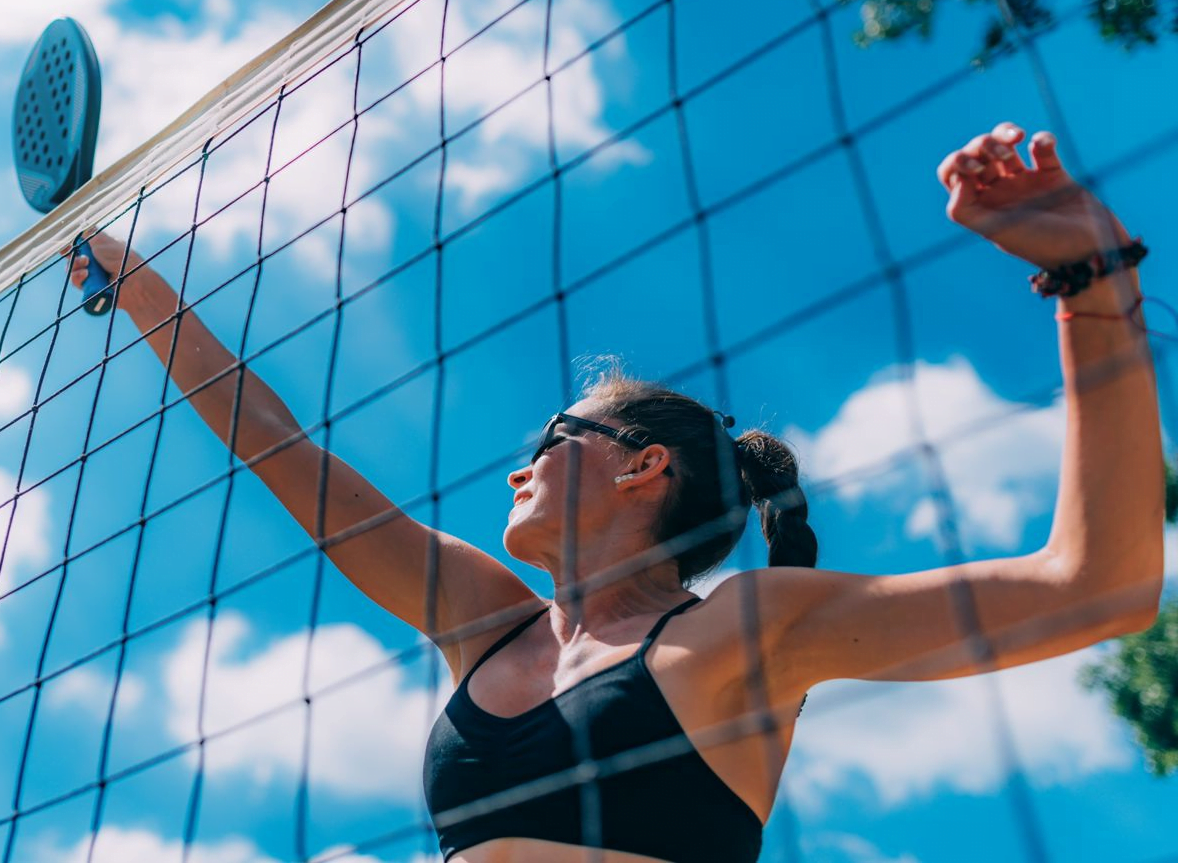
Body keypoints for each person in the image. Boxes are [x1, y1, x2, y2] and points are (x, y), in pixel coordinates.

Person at [66, 122, 1162, 863]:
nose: (517, 465)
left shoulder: (743, 627)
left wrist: (1088, 279)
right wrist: (143, 283)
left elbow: (1094, 586)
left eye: (552, 437)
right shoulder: (483, 624)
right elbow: (279, 449)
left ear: (644, 467)